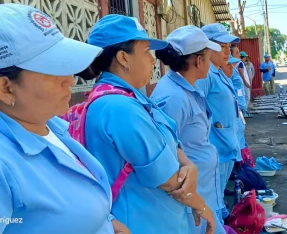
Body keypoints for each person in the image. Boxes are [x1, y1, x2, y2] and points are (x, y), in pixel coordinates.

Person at [76, 15, 215, 234]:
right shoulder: (118, 107)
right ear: (123, 58)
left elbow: (167, 135)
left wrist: (189, 164)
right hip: (142, 223)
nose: (153, 60)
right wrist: (202, 207)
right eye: (146, 52)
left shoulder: (132, 98)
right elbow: (168, 180)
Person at [0, 4, 129, 234]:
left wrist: (105, 222)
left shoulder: (50, 125)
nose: (70, 80)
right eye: (53, 70)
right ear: (5, 88)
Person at [151, 26, 225, 234]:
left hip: (202, 196)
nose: (210, 63)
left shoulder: (186, 90)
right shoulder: (174, 98)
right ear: (198, 61)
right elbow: (165, 152)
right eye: (209, 58)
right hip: (190, 206)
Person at [195, 23, 242, 222]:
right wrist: (216, 128)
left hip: (226, 143)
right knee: (213, 199)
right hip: (216, 144)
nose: (227, 52)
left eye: (228, 47)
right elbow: (196, 109)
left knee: (219, 193)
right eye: (222, 47)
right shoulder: (206, 76)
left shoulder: (218, 72)